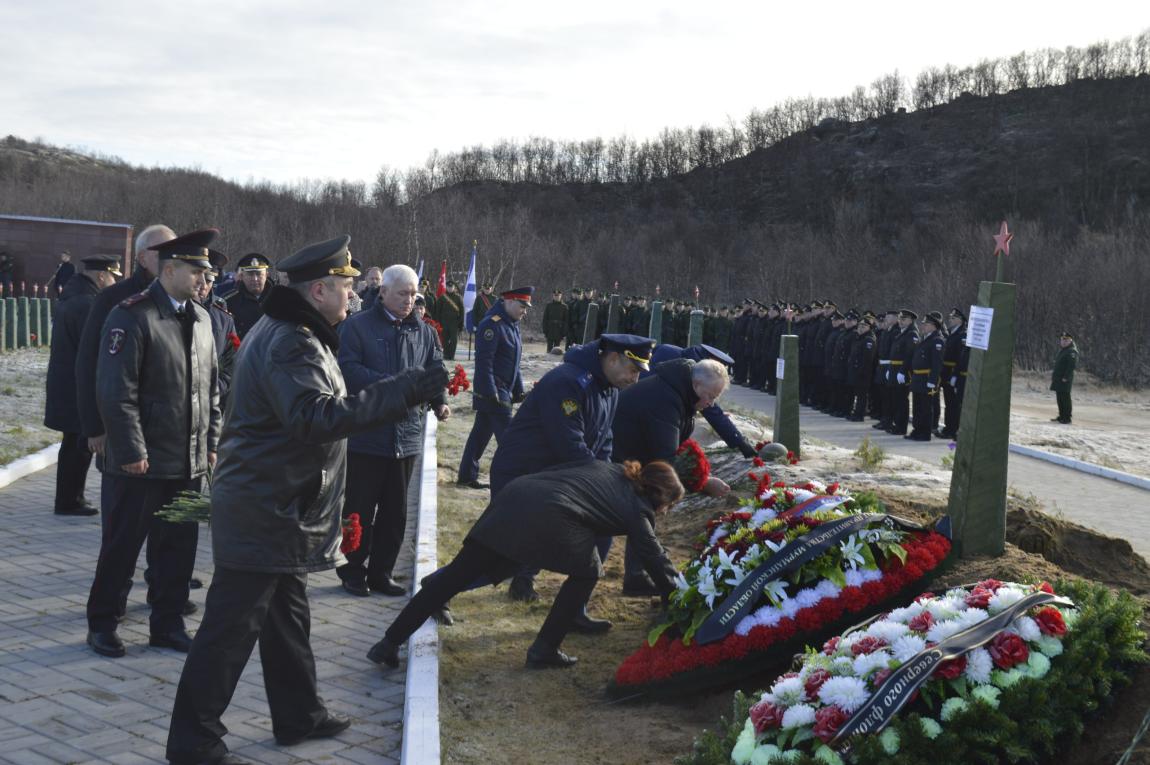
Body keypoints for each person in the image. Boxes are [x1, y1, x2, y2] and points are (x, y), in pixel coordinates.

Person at [164, 235, 448, 765]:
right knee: (228, 633)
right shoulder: (293, 340)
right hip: (266, 509)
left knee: (287, 621)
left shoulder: (295, 331)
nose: (353, 298)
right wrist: (406, 388)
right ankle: (193, 740)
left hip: (278, 505)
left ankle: (298, 714)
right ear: (319, 290)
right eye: (346, 288)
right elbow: (316, 417)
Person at [367, 460, 683, 671]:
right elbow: (652, 553)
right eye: (669, 505)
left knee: (454, 576)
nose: (666, 512)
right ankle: (544, 650)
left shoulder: (612, 469)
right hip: (551, 514)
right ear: (659, 495)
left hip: (518, 495)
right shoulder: (639, 508)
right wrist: (677, 591)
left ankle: (388, 642)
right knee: (587, 573)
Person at [86, 229, 222, 658]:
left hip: (188, 463)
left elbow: (211, 391)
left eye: (207, 271)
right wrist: (130, 451)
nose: (204, 277)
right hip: (142, 464)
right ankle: (103, 623)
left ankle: (167, 623)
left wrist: (210, 444)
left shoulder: (201, 320)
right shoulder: (133, 316)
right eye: (196, 269)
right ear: (169, 270)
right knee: (122, 547)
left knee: (178, 549)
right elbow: (115, 390)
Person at [491, 333, 653, 605]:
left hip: (554, 475)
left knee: (592, 537)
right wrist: (603, 480)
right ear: (613, 359)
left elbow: (604, 438)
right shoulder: (568, 382)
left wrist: (607, 472)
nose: (635, 379)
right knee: (497, 550)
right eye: (633, 370)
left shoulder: (609, 387)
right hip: (523, 473)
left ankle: (569, 606)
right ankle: (436, 592)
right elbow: (568, 443)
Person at [337, 264, 450, 598]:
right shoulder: (357, 327)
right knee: (359, 508)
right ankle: (352, 569)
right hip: (367, 435)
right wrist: (393, 388)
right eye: (403, 293)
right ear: (383, 292)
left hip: (407, 436)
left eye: (414, 294)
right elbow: (347, 370)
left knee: (395, 512)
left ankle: (381, 572)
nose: (409, 300)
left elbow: (434, 369)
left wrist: (438, 399)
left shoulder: (424, 331)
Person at [612, 358, 731, 595]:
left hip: (635, 456)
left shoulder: (681, 391)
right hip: (615, 456)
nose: (710, 403)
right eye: (710, 396)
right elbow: (666, 458)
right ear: (696, 385)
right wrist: (704, 483)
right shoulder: (666, 399)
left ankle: (636, 577)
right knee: (618, 519)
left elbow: (674, 442)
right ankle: (528, 575)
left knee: (644, 511)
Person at [43, 254, 121, 516]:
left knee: (74, 443)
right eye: (112, 277)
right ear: (101, 276)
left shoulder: (73, 296)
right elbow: (92, 351)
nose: (113, 283)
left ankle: (69, 498)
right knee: (79, 445)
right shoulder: (88, 304)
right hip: (76, 387)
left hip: (66, 384)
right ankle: (69, 500)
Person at [456, 287, 531, 489]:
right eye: (522, 306)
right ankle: (514, 480)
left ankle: (466, 476)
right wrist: (491, 393)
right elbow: (484, 362)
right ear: (509, 302)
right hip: (495, 393)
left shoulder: (511, 325)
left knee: (479, 435)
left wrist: (519, 389)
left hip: (503, 390)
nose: (525, 311)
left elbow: (513, 361)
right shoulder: (492, 324)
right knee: (511, 440)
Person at [646, 343, 757, 457]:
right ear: (709, 361)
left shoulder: (680, 356)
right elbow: (711, 410)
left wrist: (738, 440)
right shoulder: (691, 372)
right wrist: (739, 442)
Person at [199, 251, 239, 408]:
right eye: (200, 278)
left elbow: (233, 357)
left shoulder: (223, 318)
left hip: (213, 401)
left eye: (208, 280)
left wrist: (218, 387)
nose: (203, 286)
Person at [907, 311, 945, 441]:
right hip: (918, 378)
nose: (923, 326)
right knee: (917, 406)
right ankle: (917, 430)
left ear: (934, 326)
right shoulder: (926, 339)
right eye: (923, 324)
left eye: (926, 324)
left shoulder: (936, 341)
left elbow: (937, 363)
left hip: (927, 378)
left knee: (925, 407)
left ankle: (925, 433)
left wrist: (932, 380)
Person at [886, 310, 919, 436]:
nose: (900, 321)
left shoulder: (912, 334)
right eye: (899, 319)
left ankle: (901, 427)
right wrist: (890, 368)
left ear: (910, 320)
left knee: (901, 400)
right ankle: (896, 424)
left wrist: (903, 371)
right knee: (895, 398)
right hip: (895, 369)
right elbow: (893, 354)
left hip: (902, 371)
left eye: (903, 319)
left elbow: (909, 355)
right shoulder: (901, 333)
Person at [222, 252, 270, 338]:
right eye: (250, 274)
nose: (255, 279)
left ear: (266, 275)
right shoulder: (229, 301)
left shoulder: (279, 299)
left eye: (259, 274)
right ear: (242, 276)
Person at [938, 308, 968, 439]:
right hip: (946, 371)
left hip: (954, 371)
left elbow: (960, 358)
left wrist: (955, 374)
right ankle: (948, 427)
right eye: (950, 318)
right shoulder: (950, 333)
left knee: (954, 403)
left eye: (953, 318)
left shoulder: (963, 335)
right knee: (948, 402)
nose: (950, 320)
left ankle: (953, 429)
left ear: (961, 320)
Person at [846, 313, 878, 421]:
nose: (860, 328)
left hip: (864, 372)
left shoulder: (869, 339)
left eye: (863, 326)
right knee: (858, 393)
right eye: (859, 326)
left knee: (862, 395)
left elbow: (867, 359)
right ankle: (856, 412)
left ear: (869, 328)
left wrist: (861, 371)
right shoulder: (858, 338)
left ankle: (859, 414)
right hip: (856, 371)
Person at [1051, 331, 1079, 424]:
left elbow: (1071, 366)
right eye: (1062, 340)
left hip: (1064, 379)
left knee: (1065, 398)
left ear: (1070, 341)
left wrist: (1066, 377)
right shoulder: (1064, 350)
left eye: (1066, 340)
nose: (1063, 342)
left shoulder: (1072, 351)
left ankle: (1067, 418)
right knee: (1059, 397)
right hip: (1058, 378)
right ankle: (1061, 416)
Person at [434, 280, 465, 360]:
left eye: (451, 287)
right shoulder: (442, 297)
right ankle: (446, 355)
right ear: (446, 287)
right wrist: (438, 322)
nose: (450, 288)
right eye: (448, 287)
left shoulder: (458, 297)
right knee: (444, 340)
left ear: (454, 287)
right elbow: (438, 311)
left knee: (454, 340)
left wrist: (460, 324)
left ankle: (451, 356)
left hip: (454, 323)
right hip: (444, 322)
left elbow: (462, 311)